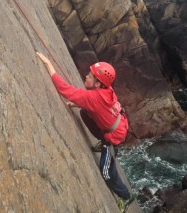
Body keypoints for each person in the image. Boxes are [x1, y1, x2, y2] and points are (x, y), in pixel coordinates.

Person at [36, 52, 135, 212]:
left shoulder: (93, 98)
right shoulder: (106, 89)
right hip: (118, 124)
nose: (86, 76)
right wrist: (77, 104)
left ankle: (126, 196)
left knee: (106, 171)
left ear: (97, 84)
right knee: (84, 112)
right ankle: (103, 141)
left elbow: (65, 89)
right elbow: (97, 107)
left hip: (114, 137)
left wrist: (48, 64)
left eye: (90, 76)